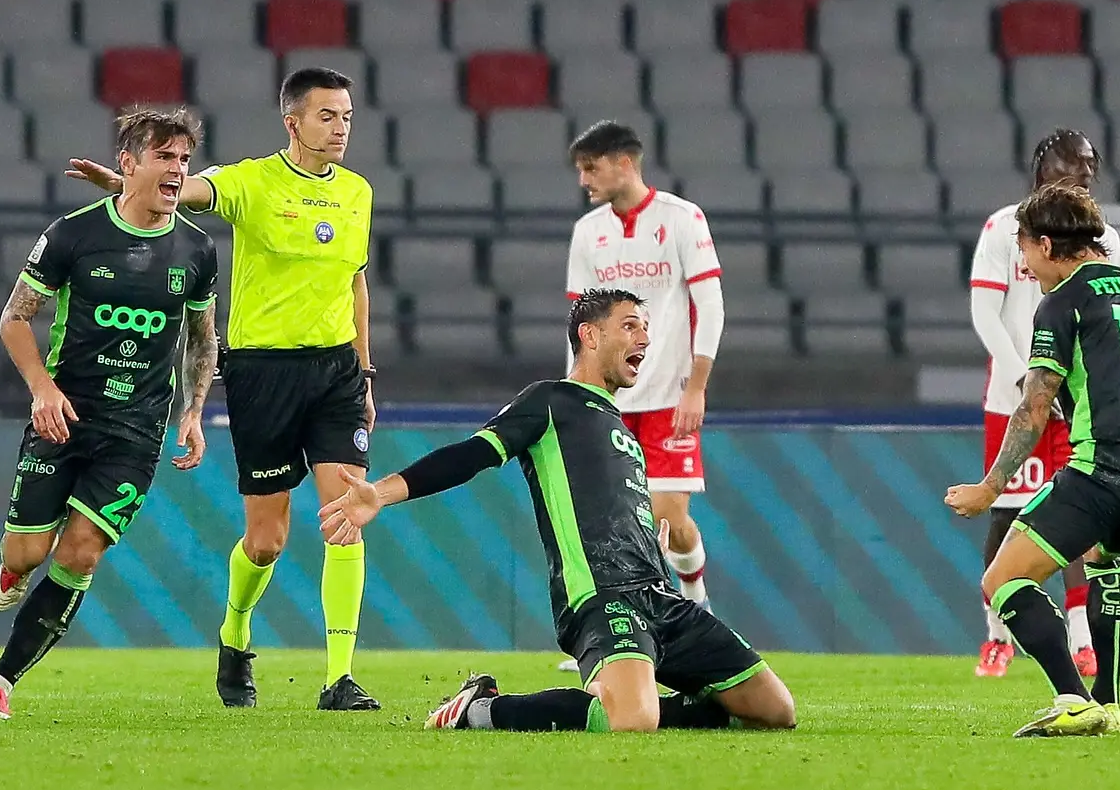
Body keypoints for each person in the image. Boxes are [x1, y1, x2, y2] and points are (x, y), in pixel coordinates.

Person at [318, 289, 796, 733]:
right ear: (589, 335)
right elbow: (470, 455)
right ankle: (481, 708)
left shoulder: (623, 431)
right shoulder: (551, 401)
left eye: (646, 328)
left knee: (775, 711)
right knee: (633, 721)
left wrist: (649, 539)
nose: (645, 338)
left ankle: (629, 697)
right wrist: (379, 493)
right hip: (603, 597)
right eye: (630, 326)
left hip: (660, 596)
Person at [66, 68, 380, 711]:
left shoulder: (358, 192)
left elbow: (355, 282)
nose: (341, 126)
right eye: (327, 115)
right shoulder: (253, 181)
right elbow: (190, 191)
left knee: (346, 513)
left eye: (347, 115)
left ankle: (339, 678)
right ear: (292, 122)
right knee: (267, 539)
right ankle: (235, 633)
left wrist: (365, 370)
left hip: (335, 373)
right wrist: (132, 187)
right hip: (263, 372)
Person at [0, 108, 218, 719]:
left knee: (80, 552)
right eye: (163, 157)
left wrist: (194, 411)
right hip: (63, 417)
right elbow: (14, 318)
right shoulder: (73, 235)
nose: (176, 170)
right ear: (128, 163)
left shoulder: (198, 249)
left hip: (136, 431)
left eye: (183, 160)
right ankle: (11, 571)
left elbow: (204, 337)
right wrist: (42, 388)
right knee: (26, 554)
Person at [946, 184, 1120, 738]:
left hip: (1107, 469)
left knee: (1002, 580)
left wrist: (991, 486)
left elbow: (1034, 409)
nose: (1026, 267)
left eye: (1026, 251)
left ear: (1048, 243)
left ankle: (1073, 700)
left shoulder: (1063, 302)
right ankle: (1108, 701)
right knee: (1104, 557)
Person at [556, 122, 724, 671]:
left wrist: (697, 385)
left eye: (591, 167)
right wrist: (574, 396)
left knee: (669, 518)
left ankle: (695, 605)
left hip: (669, 396)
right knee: (611, 523)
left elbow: (710, 305)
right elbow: (579, 322)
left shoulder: (682, 219)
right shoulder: (589, 233)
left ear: (624, 162)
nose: (584, 179)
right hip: (608, 400)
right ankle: (616, 635)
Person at [968, 128, 1120, 679]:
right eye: (1065, 176)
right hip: (1018, 396)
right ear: (1040, 173)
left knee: (1079, 515)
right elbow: (986, 313)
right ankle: (996, 635)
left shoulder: (1104, 237)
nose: (1075, 186)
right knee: (1008, 509)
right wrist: (1023, 380)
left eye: (1084, 179)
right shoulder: (1003, 230)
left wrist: (1076, 389)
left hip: (1076, 403)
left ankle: (1082, 637)